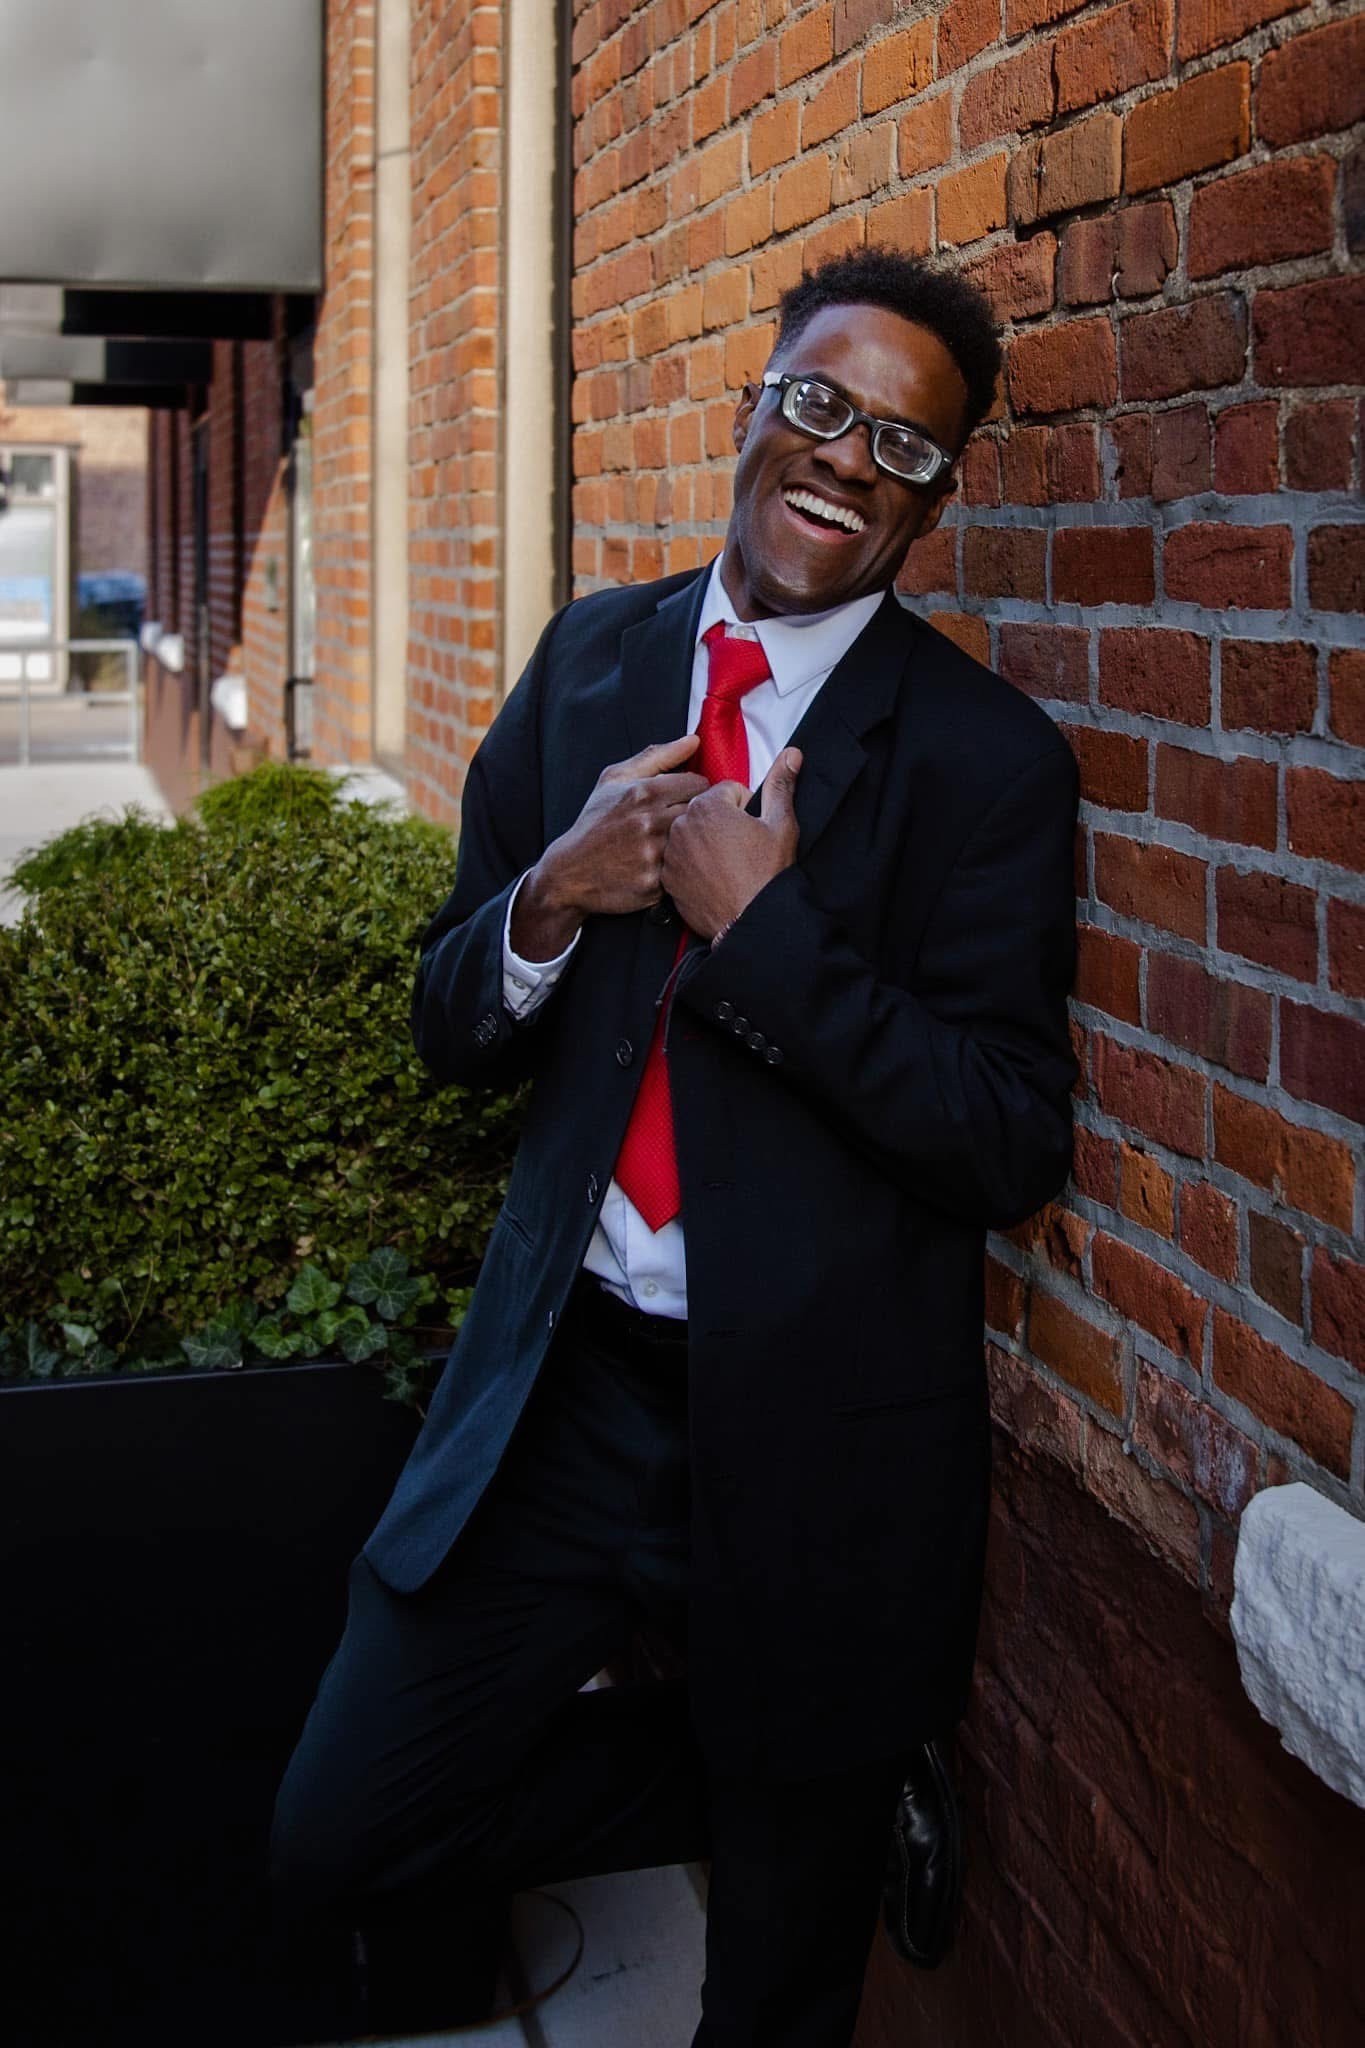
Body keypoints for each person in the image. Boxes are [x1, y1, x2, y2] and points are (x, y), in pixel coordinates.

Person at [271, 247, 1079, 2048]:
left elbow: (1007, 1138)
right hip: (563, 1396)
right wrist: (552, 898)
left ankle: (812, 1800)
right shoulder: (589, 661)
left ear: (931, 500)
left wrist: (765, 935)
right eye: (818, 402)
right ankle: (808, 1792)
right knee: (344, 1827)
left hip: (809, 1435)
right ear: (751, 406)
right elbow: (446, 1023)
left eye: (904, 445)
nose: (847, 458)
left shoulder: (985, 761)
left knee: (772, 1997)